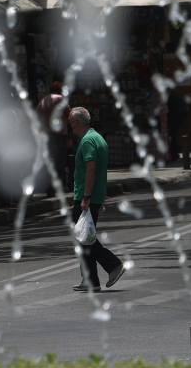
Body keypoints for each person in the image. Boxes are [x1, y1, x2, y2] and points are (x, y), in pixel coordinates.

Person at [68, 107, 125, 292]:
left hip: (86, 196)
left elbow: (92, 169)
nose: (70, 126)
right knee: (84, 237)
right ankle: (90, 280)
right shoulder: (98, 137)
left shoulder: (87, 141)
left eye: (70, 122)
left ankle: (113, 265)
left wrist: (86, 197)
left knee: (84, 237)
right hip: (93, 196)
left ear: (75, 123)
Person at [36, 82, 71, 196]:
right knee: (60, 161)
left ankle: (49, 188)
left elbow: (36, 116)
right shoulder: (61, 99)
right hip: (59, 134)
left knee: (50, 161)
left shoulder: (43, 101)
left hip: (46, 135)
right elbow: (70, 114)